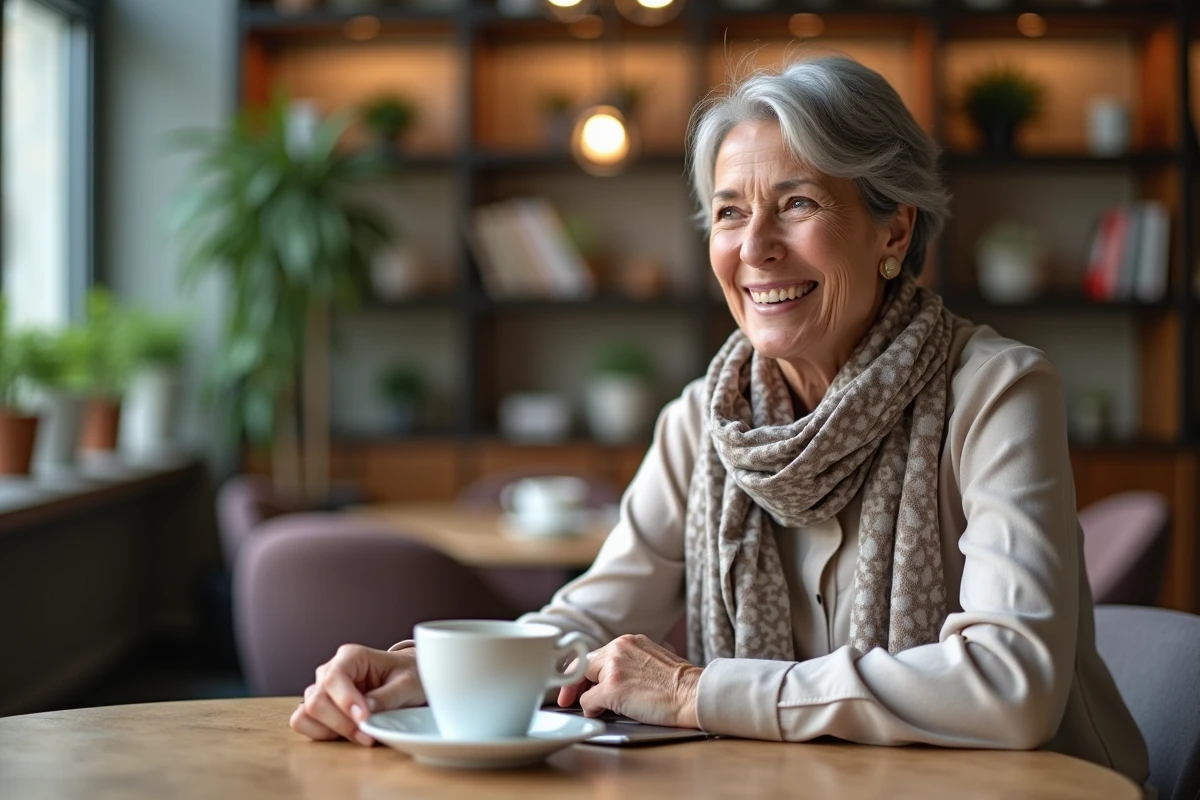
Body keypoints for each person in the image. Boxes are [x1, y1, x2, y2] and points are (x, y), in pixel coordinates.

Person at [289, 55, 1148, 784]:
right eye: (731, 212)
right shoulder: (705, 419)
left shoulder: (997, 392)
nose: (756, 247)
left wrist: (701, 693)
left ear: (894, 232)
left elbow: (1011, 681)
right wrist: (426, 673)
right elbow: (587, 619)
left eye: (800, 203)